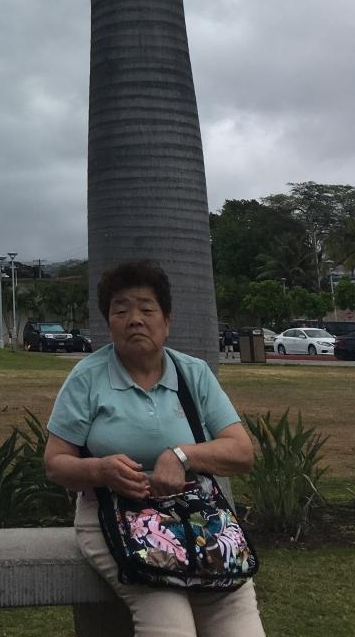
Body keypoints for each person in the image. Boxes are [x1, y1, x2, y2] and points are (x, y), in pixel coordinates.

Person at [44, 259, 265, 637]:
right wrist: (101, 470)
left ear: (167, 320)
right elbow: (55, 462)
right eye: (121, 311)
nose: (134, 320)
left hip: (198, 518)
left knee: (235, 616)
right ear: (109, 322)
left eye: (146, 309)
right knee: (168, 618)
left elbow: (241, 452)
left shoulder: (193, 373)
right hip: (114, 515)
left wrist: (181, 455)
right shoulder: (87, 378)